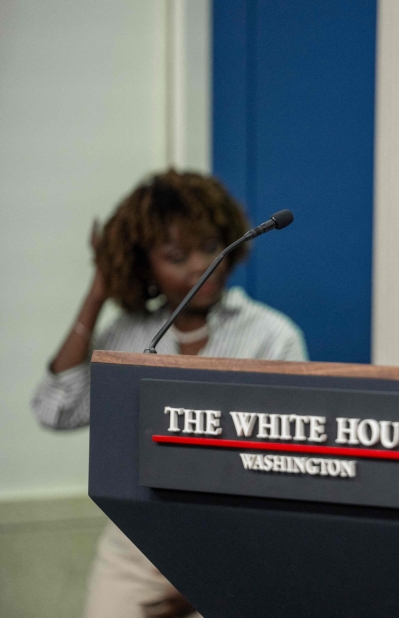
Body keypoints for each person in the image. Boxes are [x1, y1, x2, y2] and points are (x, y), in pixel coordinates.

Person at [32, 170, 308, 618]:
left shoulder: (271, 336)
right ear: (146, 265)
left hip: (235, 548)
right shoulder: (132, 333)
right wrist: (98, 293)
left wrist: (211, 579)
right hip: (134, 550)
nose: (200, 265)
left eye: (209, 246)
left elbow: (289, 463)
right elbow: (55, 409)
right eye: (177, 256)